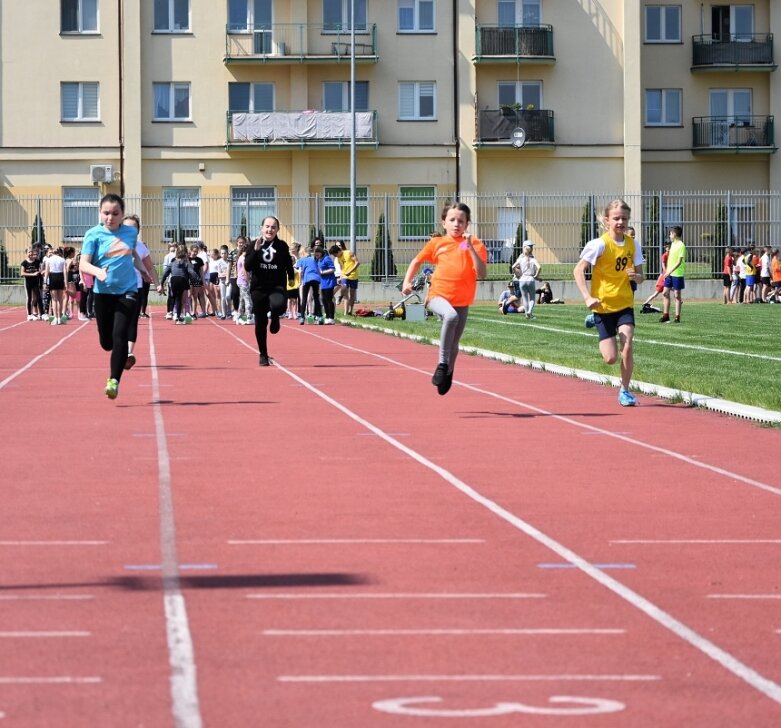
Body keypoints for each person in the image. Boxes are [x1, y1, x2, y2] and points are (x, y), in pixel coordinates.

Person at [401, 201, 487, 396]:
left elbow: (481, 273)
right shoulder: (437, 243)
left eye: (461, 221)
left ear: (467, 224)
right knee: (450, 317)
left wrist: (471, 248)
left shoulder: (473, 244)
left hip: (462, 299)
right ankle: (442, 364)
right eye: (452, 220)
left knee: (454, 342)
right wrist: (407, 282)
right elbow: (416, 261)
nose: (457, 224)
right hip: (437, 295)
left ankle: (448, 371)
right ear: (444, 223)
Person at [573, 198, 644, 407]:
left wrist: (635, 277)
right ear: (607, 220)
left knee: (628, 343)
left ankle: (625, 390)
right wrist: (587, 297)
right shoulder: (599, 244)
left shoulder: (633, 245)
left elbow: (641, 276)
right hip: (603, 307)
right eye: (616, 218)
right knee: (610, 359)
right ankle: (594, 320)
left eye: (624, 218)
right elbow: (578, 270)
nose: (620, 222)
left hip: (624, 304)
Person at [79, 193, 149, 400]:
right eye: (106, 213)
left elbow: (132, 254)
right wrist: (98, 272)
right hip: (103, 293)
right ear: (100, 213)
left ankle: (113, 381)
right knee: (106, 342)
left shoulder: (130, 233)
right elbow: (83, 263)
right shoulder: (93, 235)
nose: (110, 217)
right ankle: (113, 358)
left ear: (122, 214)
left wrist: (142, 269)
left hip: (127, 291)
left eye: (115, 213)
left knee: (120, 336)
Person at [243, 216, 295, 366]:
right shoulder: (254, 244)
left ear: (277, 229)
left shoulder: (282, 246)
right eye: (267, 226)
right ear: (261, 228)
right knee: (260, 323)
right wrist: (255, 251)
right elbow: (247, 266)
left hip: (276, 286)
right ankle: (263, 354)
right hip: (258, 289)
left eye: (273, 227)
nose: (269, 230)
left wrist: (291, 277)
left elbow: (288, 265)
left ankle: (276, 316)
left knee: (278, 305)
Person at [122, 214, 161, 371]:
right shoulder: (113, 244)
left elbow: (150, 267)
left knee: (132, 321)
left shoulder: (141, 247)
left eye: (133, 227)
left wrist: (157, 284)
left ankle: (128, 354)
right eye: (127, 227)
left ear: (138, 230)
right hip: (116, 288)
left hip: (135, 287)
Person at [160, 244, 198, 323]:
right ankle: (178, 317)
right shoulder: (186, 262)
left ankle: (170, 312)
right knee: (179, 298)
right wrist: (196, 279)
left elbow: (166, 273)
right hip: (182, 280)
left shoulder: (173, 262)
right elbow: (191, 271)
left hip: (173, 279)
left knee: (173, 296)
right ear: (185, 253)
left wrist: (161, 283)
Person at [660, 226, 685, 323]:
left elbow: (679, 262)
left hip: (677, 274)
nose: (669, 236)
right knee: (665, 293)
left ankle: (677, 317)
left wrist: (669, 272)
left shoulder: (681, 245)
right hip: (669, 274)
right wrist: (666, 271)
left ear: (674, 234)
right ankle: (665, 315)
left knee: (677, 295)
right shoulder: (673, 245)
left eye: (670, 234)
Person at [511, 240, 540, 319]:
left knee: (525, 298)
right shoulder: (533, 259)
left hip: (522, 280)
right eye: (531, 246)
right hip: (530, 279)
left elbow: (513, 267)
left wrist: (518, 275)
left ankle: (527, 314)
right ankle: (529, 312)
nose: (532, 247)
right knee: (532, 298)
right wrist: (536, 275)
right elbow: (539, 267)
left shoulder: (521, 258)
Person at [330, 241, 360, 315]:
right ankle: (340, 297)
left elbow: (357, 262)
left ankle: (350, 311)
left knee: (352, 294)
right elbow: (342, 268)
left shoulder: (349, 253)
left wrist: (350, 271)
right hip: (345, 276)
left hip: (353, 276)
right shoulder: (338, 258)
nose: (336, 256)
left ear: (339, 251)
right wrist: (341, 276)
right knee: (344, 287)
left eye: (336, 254)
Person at [296, 244, 323, 324]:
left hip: (307, 279)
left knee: (304, 298)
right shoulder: (314, 259)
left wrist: (301, 281)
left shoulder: (301, 260)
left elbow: (300, 271)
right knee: (316, 297)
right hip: (316, 279)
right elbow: (318, 270)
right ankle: (320, 317)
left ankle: (302, 317)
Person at [641, 242, 669, 312]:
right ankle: (645, 303)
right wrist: (665, 274)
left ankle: (668, 305)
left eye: (669, 247)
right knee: (655, 294)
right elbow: (663, 266)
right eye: (667, 247)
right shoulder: (664, 255)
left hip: (666, 276)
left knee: (667, 292)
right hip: (664, 278)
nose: (669, 248)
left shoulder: (671, 255)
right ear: (665, 248)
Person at [44, 246, 67, 325]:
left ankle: (55, 317)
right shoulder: (63, 260)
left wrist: (45, 282)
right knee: (60, 299)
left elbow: (46, 272)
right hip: (60, 277)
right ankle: (60, 318)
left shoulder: (49, 259)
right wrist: (65, 282)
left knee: (54, 299)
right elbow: (65, 272)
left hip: (53, 277)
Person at [316, 245, 338, 324]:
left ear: (321, 252)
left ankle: (331, 317)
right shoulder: (319, 260)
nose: (316, 256)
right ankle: (327, 316)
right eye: (315, 255)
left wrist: (323, 272)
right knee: (323, 300)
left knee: (328, 299)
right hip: (323, 282)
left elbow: (332, 269)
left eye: (317, 254)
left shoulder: (326, 258)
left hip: (329, 281)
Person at [20, 247, 43, 320]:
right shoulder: (24, 263)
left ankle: (42, 314)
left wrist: (42, 272)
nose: (31, 253)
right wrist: (33, 274)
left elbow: (40, 270)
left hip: (35, 283)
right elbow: (22, 273)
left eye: (31, 252)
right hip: (28, 283)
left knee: (38, 297)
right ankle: (29, 314)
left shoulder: (37, 261)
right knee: (29, 298)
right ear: (26, 253)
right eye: (29, 252)